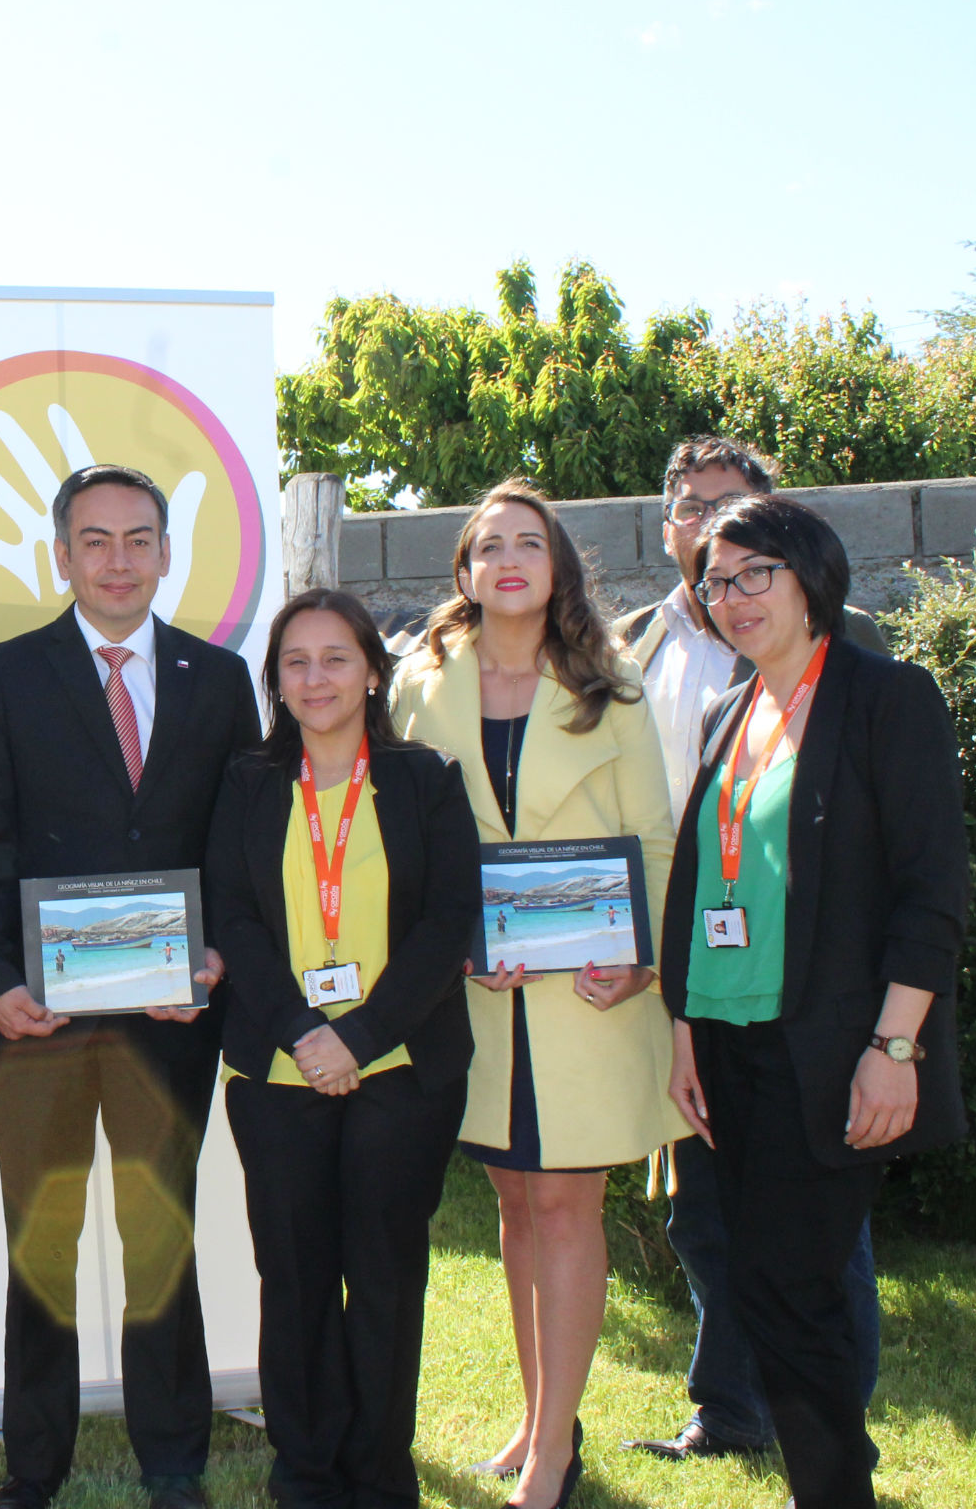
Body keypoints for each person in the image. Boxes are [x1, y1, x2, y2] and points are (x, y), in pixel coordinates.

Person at [0, 463, 262, 1509]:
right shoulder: (6, 673)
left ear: (167, 553)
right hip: (34, 1021)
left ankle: (174, 1462)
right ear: (62, 553)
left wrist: (213, 959)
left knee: (158, 1239)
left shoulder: (219, 680)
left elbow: (241, 842)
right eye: (95, 540)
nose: (117, 560)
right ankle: (35, 1464)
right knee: (45, 1242)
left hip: (172, 1018)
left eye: (137, 539)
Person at [661, 496, 967, 1509]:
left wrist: (896, 1044)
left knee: (790, 1287)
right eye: (716, 579)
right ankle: (832, 1485)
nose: (735, 597)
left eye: (758, 572)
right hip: (727, 1042)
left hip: (836, 1049)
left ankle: (835, 1491)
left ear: (810, 576)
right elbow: (699, 881)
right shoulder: (729, 712)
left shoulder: (887, 698)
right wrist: (681, 1032)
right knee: (763, 1285)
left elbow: (932, 892)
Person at [387, 480, 683, 1509]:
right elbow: (401, 834)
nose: (508, 559)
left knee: (564, 1202)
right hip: (475, 985)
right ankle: (531, 1418)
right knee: (514, 1199)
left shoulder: (613, 681)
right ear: (464, 572)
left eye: (529, 543)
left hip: (591, 989)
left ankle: (556, 1452)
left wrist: (642, 958)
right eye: (487, 546)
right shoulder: (421, 683)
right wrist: (443, 939)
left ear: (557, 565)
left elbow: (652, 833)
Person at [613, 437, 886, 1467]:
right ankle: (730, 1412)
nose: (710, 530)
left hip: (811, 988)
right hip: (691, 979)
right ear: (672, 527)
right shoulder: (635, 643)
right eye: (690, 509)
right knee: (707, 1217)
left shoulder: (851, 647)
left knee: (820, 1232)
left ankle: (829, 1427)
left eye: (734, 510)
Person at [208, 588, 480, 1509]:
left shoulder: (425, 779)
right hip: (277, 1069)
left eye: (335, 658)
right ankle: (307, 1468)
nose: (315, 677)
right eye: (295, 661)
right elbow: (234, 920)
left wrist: (356, 1039)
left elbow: (448, 927)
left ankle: (378, 1470)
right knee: (292, 1273)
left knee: (386, 1272)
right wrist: (304, 1033)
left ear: (372, 670)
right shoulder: (246, 782)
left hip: (402, 1070)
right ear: (276, 683)